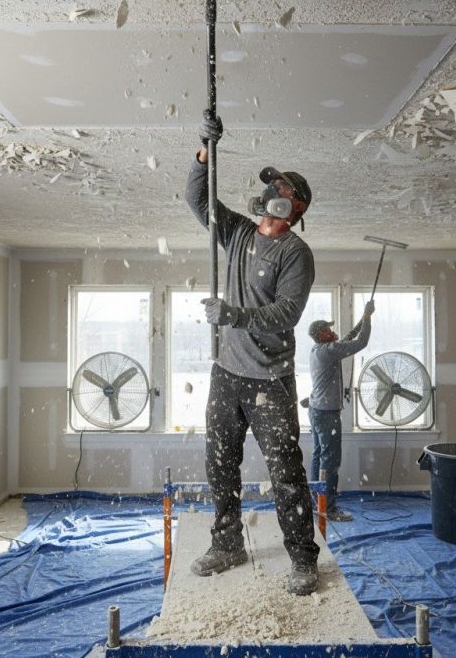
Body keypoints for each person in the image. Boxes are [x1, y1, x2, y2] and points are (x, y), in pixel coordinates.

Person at [186, 109, 320, 595]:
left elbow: (287, 314)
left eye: (282, 191)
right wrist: (205, 150)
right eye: (271, 188)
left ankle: (304, 559)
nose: (272, 195)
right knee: (219, 461)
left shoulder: (295, 255)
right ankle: (227, 543)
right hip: (227, 374)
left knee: (285, 470)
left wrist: (235, 316)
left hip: (269, 380)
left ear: (296, 208)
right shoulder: (239, 231)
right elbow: (196, 199)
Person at [301, 301, 375, 521]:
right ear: (321, 334)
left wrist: (363, 316)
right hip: (326, 414)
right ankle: (328, 508)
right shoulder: (329, 351)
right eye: (328, 329)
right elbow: (360, 342)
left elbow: (350, 336)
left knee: (318, 456)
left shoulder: (320, 349)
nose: (333, 332)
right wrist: (369, 318)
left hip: (316, 409)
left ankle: (318, 501)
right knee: (330, 462)